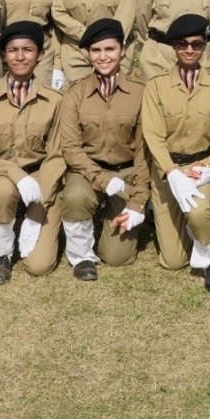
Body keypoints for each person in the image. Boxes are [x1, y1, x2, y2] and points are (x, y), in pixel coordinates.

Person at [138, 14, 210, 290]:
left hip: (200, 167)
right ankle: (195, 217)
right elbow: (154, 137)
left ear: (204, 46)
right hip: (167, 170)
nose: (190, 50)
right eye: (182, 44)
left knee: (196, 209)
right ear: (173, 48)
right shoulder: (156, 86)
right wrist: (171, 173)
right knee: (172, 260)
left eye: (196, 44)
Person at [45, 18, 148, 279]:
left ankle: (112, 218)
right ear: (89, 54)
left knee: (117, 258)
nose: (103, 57)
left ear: (122, 50)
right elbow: (71, 148)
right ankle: (82, 256)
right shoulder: (75, 94)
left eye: (109, 49)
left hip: (126, 174)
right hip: (88, 171)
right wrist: (100, 179)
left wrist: (137, 201)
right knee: (76, 196)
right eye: (96, 50)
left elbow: (144, 151)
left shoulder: (141, 92)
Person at [0, 21, 66, 282]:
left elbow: (57, 156)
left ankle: (29, 222)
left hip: (42, 178)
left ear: (40, 55)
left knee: (39, 265)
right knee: (2, 189)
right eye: (12, 50)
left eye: (28, 50)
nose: (20, 57)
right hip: (2, 175)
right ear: (3, 55)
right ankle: (0, 253)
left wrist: (37, 210)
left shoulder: (56, 100)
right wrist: (15, 174)